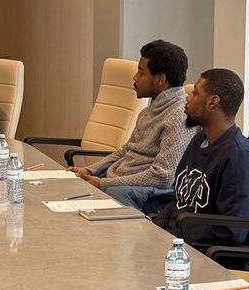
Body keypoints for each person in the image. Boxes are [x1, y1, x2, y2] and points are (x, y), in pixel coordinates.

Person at [73, 40, 193, 209]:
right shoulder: (148, 111)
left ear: (160, 80)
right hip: (115, 184)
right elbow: (125, 151)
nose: (135, 77)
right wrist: (88, 170)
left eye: (141, 73)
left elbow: (163, 177)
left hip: (134, 196)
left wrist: (105, 184)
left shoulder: (178, 116)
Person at [152, 69, 249, 249]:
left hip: (205, 254)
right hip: (177, 242)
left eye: (195, 92)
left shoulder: (239, 157)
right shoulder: (199, 140)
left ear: (213, 102)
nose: (188, 98)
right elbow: (180, 200)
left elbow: (232, 231)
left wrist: (174, 236)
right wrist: (157, 225)